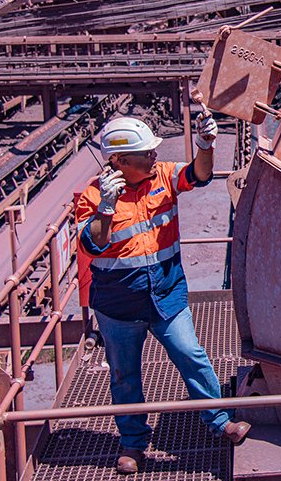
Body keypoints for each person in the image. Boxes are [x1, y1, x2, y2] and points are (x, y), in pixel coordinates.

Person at [76, 100, 250, 475]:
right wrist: (106, 208)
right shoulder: (93, 196)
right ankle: (133, 444)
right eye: (146, 153)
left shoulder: (163, 176)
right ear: (120, 161)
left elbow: (198, 176)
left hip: (166, 295)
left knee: (192, 354)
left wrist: (206, 145)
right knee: (125, 376)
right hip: (119, 306)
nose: (155, 156)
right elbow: (92, 245)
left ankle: (219, 421)